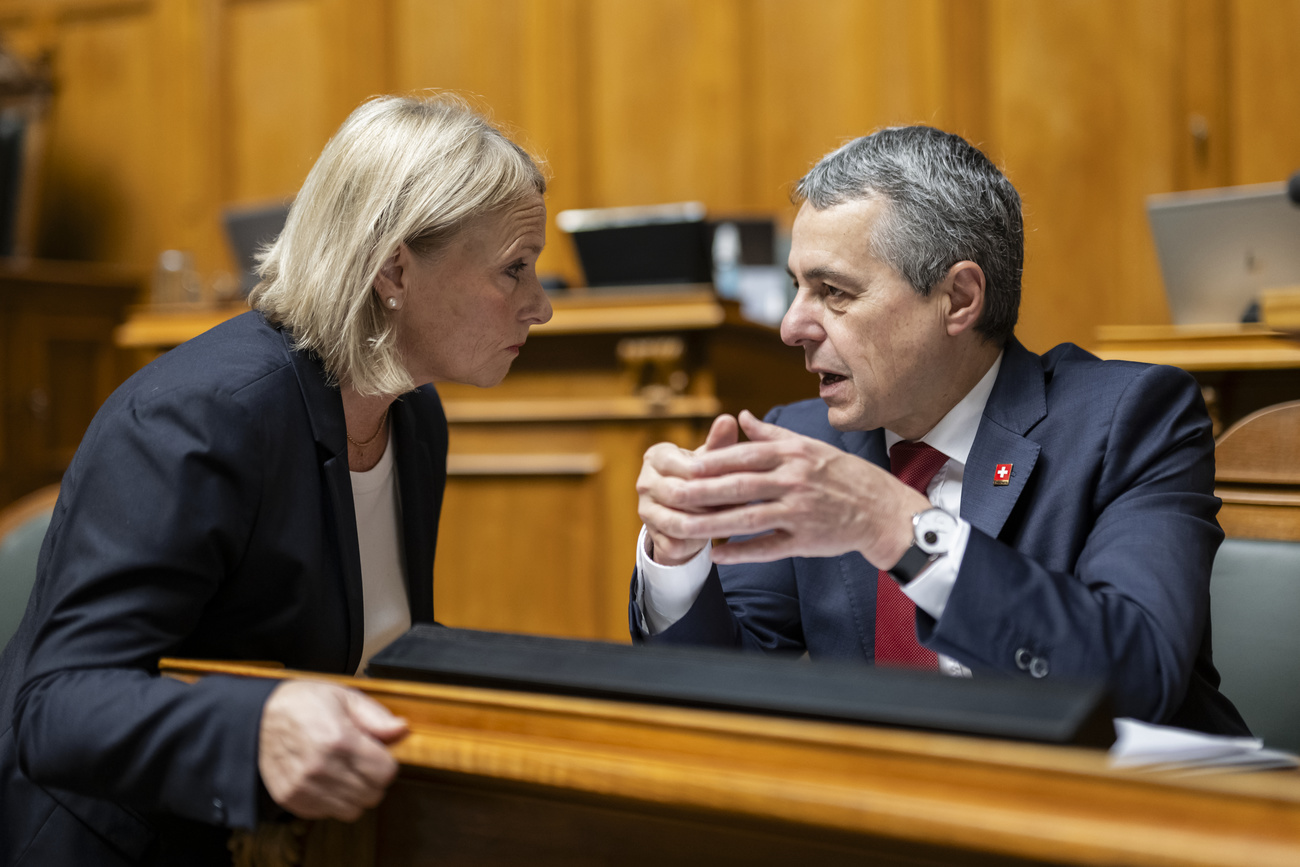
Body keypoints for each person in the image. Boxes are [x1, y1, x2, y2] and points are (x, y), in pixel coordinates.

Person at [0, 93, 552, 865]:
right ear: (395, 266)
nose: (542, 306)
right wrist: (256, 725)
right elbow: (54, 708)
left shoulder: (415, 419)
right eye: (515, 270)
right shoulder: (201, 417)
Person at [631, 125, 1248, 736]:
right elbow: (720, 687)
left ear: (958, 298)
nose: (792, 326)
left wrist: (901, 528)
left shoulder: (1128, 419)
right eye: (798, 288)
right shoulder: (804, 439)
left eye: (833, 292)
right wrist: (679, 558)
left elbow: (1140, 676)